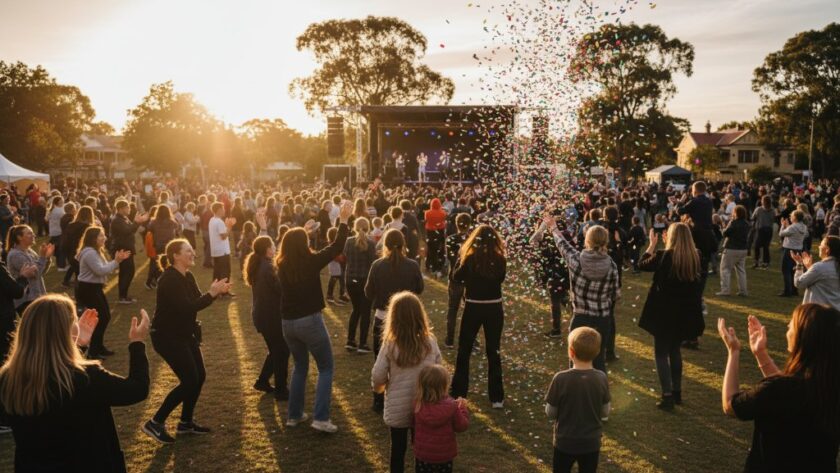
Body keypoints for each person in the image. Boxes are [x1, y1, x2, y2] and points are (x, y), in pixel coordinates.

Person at [0, 294, 150, 472]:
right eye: (73, 320)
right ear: (63, 330)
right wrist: (137, 343)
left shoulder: (8, 378)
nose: (77, 324)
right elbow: (137, 389)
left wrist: (79, 346)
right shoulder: (85, 378)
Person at [718, 304, 840, 473]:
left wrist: (734, 351)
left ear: (804, 337)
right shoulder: (828, 386)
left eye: (792, 324)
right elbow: (791, 392)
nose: (788, 326)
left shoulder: (780, 389)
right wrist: (760, 353)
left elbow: (731, 405)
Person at [142, 239, 231, 444]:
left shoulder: (188, 275)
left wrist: (215, 293)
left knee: (199, 376)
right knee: (190, 379)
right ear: (175, 255)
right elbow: (186, 307)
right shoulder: (169, 279)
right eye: (188, 251)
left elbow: (198, 300)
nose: (193, 253)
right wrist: (211, 293)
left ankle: (185, 423)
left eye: (192, 250)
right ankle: (155, 422)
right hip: (167, 337)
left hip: (184, 333)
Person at [276, 201, 352, 434]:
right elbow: (337, 246)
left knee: (299, 366)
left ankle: (294, 415)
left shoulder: (281, 264)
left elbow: (290, 245)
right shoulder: (310, 262)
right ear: (303, 245)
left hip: (287, 323)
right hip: (309, 320)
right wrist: (344, 221)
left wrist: (302, 234)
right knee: (326, 367)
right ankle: (320, 418)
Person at [371, 292, 443, 473]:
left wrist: (379, 388)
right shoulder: (430, 342)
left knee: (398, 449)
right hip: (425, 404)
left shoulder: (390, 344)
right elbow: (439, 370)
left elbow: (378, 375)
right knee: (421, 449)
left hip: (398, 406)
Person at [637, 223, 704, 410]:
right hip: (684, 313)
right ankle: (677, 392)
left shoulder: (664, 256)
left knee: (661, 353)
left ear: (671, 237)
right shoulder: (695, 256)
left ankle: (667, 395)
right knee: (675, 351)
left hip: (664, 312)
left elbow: (641, 265)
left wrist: (651, 245)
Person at [547, 218, 620, 374]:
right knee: (599, 359)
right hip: (602, 318)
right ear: (605, 242)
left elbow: (562, 244)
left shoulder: (576, 260)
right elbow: (615, 294)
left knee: (575, 359)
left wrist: (553, 227)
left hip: (580, 317)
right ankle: (599, 396)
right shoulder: (612, 266)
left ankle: (575, 393)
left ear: (587, 240)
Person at [365, 228, 424, 413]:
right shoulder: (412, 265)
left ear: (386, 245)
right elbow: (419, 288)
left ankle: (378, 399)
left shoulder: (378, 265)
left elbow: (368, 292)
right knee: (410, 358)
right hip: (409, 317)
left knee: (381, 359)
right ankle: (410, 396)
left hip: (383, 317)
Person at [450, 225, 507, 408]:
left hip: (474, 307)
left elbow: (456, 277)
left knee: (464, 350)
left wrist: (461, 258)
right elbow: (500, 278)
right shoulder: (500, 260)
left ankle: (459, 391)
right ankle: (496, 397)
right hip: (494, 308)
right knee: (493, 350)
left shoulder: (470, 259)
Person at [544, 327, 611, 473]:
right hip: (591, 443)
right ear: (597, 352)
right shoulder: (601, 378)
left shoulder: (560, 378)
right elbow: (605, 411)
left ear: (571, 352)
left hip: (565, 442)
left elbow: (551, 412)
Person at [245, 235, 290, 401]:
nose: (274, 249)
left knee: (276, 350)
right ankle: (281, 389)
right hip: (270, 317)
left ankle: (262, 381)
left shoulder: (259, 263)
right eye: (272, 246)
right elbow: (281, 289)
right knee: (282, 351)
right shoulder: (267, 267)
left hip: (263, 316)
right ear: (266, 249)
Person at [75, 226, 131, 359]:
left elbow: (106, 269)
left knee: (104, 317)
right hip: (88, 289)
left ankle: (98, 347)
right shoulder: (89, 253)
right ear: (93, 238)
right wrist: (116, 261)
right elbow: (101, 270)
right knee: (101, 318)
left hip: (94, 288)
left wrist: (117, 261)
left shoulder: (96, 251)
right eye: (101, 235)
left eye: (104, 235)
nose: (104, 238)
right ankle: (93, 351)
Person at [412, 364, 469, 473]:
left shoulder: (417, 404)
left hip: (423, 454)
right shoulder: (452, 406)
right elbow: (462, 426)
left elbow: (413, 424)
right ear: (444, 385)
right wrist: (462, 408)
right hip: (444, 455)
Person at [529, 212, 571, 339]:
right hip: (565, 272)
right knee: (563, 297)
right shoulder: (565, 235)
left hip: (554, 274)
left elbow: (532, 240)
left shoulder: (546, 237)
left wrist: (542, 226)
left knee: (555, 301)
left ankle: (556, 329)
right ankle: (577, 316)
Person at [343, 217, 376, 352]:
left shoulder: (348, 242)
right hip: (364, 279)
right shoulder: (371, 243)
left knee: (356, 309)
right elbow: (372, 263)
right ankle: (362, 342)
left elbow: (346, 258)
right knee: (365, 311)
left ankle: (350, 340)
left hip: (351, 279)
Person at [5, 224, 53, 315]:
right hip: (26, 300)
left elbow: (41, 273)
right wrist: (42, 257)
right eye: (29, 233)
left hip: (37, 295)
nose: (33, 235)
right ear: (19, 237)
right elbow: (34, 274)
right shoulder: (15, 255)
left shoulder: (29, 251)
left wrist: (47, 258)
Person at [110, 199, 149, 304]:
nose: (129, 209)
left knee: (128, 272)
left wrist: (137, 222)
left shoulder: (123, 218)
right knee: (127, 272)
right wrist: (136, 222)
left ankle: (124, 295)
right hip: (123, 249)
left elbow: (131, 229)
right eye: (127, 207)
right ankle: (122, 297)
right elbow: (128, 230)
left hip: (126, 247)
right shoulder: (117, 220)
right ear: (121, 209)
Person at [444, 213, 472, 347]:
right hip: (468, 279)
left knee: (453, 309)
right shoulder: (473, 239)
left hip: (456, 278)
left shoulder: (450, 239)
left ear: (457, 224)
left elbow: (450, 258)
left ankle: (450, 340)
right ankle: (471, 340)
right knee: (469, 309)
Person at [792, 236, 840, 310]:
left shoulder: (819, 267)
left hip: (818, 314)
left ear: (827, 250)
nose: (819, 246)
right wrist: (810, 268)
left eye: (821, 244)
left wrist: (799, 265)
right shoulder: (833, 266)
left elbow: (799, 283)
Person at [717, 205, 750, 297]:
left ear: (735, 213)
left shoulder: (733, 222)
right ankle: (743, 291)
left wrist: (724, 227)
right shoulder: (747, 224)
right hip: (743, 249)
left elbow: (725, 233)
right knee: (741, 270)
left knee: (725, 269)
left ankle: (725, 290)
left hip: (732, 248)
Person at [61, 205, 94, 288]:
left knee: (77, 271)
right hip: (81, 252)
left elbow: (65, 240)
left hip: (71, 253)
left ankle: (69, 283)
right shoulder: (87, 227)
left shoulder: (71, 225)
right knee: (81, 274)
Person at [779, 210, 808, 297]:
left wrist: (783, 225)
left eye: (791, 216)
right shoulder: (803, 227)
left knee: (785, 270)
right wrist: (788, 226)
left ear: (795, 217)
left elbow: (781, 234)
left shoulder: (793, 227)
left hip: (789, 250)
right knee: (794, 270)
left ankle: (787, 291)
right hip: (798, 250)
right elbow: (794, 232)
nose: (790, 217)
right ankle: (794, 290)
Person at [209, 202, 234, 290]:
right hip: (222, 251)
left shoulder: (212, 220)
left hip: (216, 251)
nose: (224, 210)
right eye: (223, 209)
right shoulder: (219, 222)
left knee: (217, 272)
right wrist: (229, 227)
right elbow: (223, 236)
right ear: (219, 210)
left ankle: (216, 290)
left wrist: (226, 226)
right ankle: (224, 292)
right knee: (225, 272)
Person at [424, 198, 447, 276]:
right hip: (440, 232)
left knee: (431, 249)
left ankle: (430, 265)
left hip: (430, 232)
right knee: (441, 249)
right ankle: (440, 266)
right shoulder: (443, 213)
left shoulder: (427, 213)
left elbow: (426, 220)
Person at [751, 195, 775, 269]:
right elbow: (773, 219)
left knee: (757, 246)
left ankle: (756, 262)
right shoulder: (772, 210)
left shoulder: (759, 209)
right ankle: (766, 262)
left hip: (760, 229)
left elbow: (753, 217)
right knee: (765, 246)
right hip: (769, 229)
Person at [47, 196, 66, 270]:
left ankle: (59, 264)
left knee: (57, 249)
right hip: (59, 232)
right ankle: (61, 266)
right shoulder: (59, 211)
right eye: (61, 201)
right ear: (58, 202)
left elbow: (46, 218)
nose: (63, 203)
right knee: (61, 249)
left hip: (53, 231)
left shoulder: (51, 210)